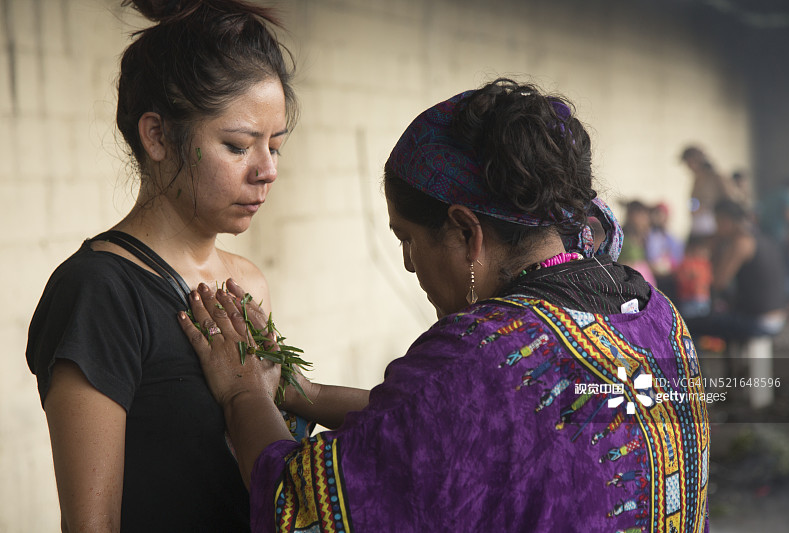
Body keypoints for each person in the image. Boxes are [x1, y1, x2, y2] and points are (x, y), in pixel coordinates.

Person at [178, 79, 710, 532]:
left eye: (408, 239)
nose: (409, 265)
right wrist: (304, 394)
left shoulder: (479, 354)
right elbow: (467, 425)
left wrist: (244, 391)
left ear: (465, 232)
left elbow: (298, 505)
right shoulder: (656, 315)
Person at [25, 1, 297, 530]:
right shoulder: (100, 291)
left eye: (276, 146)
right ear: (156, 136)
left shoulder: (247, 283)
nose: (266, 170)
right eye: (238, 145)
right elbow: (91, 524)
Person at [684, 199, 787, 341]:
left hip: (758, 321)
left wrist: (714, 250)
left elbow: (718, 282)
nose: (716, 228)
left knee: (687, 325)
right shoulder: (762, 238)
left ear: (725, 220)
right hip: (777, 317)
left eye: (717, 222)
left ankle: (691, 363)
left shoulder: (741, 242)